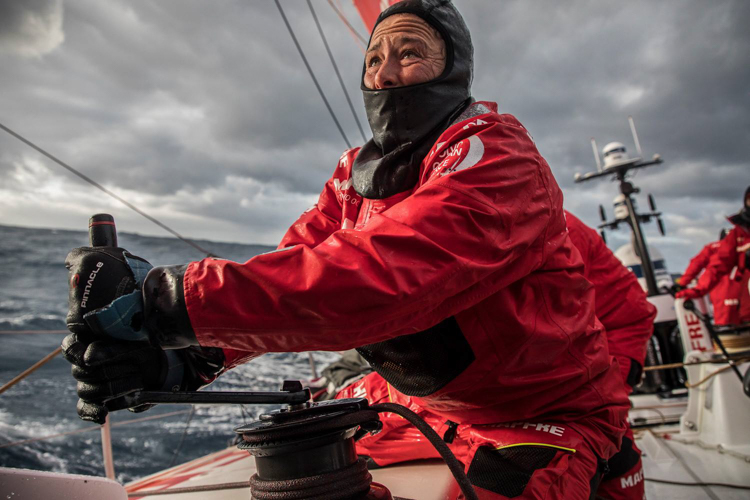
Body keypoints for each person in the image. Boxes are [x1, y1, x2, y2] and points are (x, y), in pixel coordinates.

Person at [62, 1, 629, 498]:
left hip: (540, 416)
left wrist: (170, 303)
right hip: (417, 404)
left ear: (454, 69)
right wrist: (191, 355)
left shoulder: (499, 157)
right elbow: (300, 264)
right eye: (374, 58)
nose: (385, 72)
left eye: (410, 52)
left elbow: (385, 275)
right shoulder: (351, 178)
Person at [331, 211, 655, 500]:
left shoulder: (550, 226)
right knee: (325, 440)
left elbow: (629, 313)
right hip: (435, 391)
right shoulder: (398, 227)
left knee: (612, 462)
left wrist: (606, 386)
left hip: (550, 398)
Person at [677, 186, 750, 325]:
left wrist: (684, 283)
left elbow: (700, 263)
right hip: (738, 304)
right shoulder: (737, 236)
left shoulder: (714, 247)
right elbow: (717, 265)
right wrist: (692, 289)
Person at [679, 229, 742, 325]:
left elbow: (697, 264)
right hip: (743, 290)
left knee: (725, 326)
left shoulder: (713, 248)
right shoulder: (744, 246)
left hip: (722, 292)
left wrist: (682, 283)